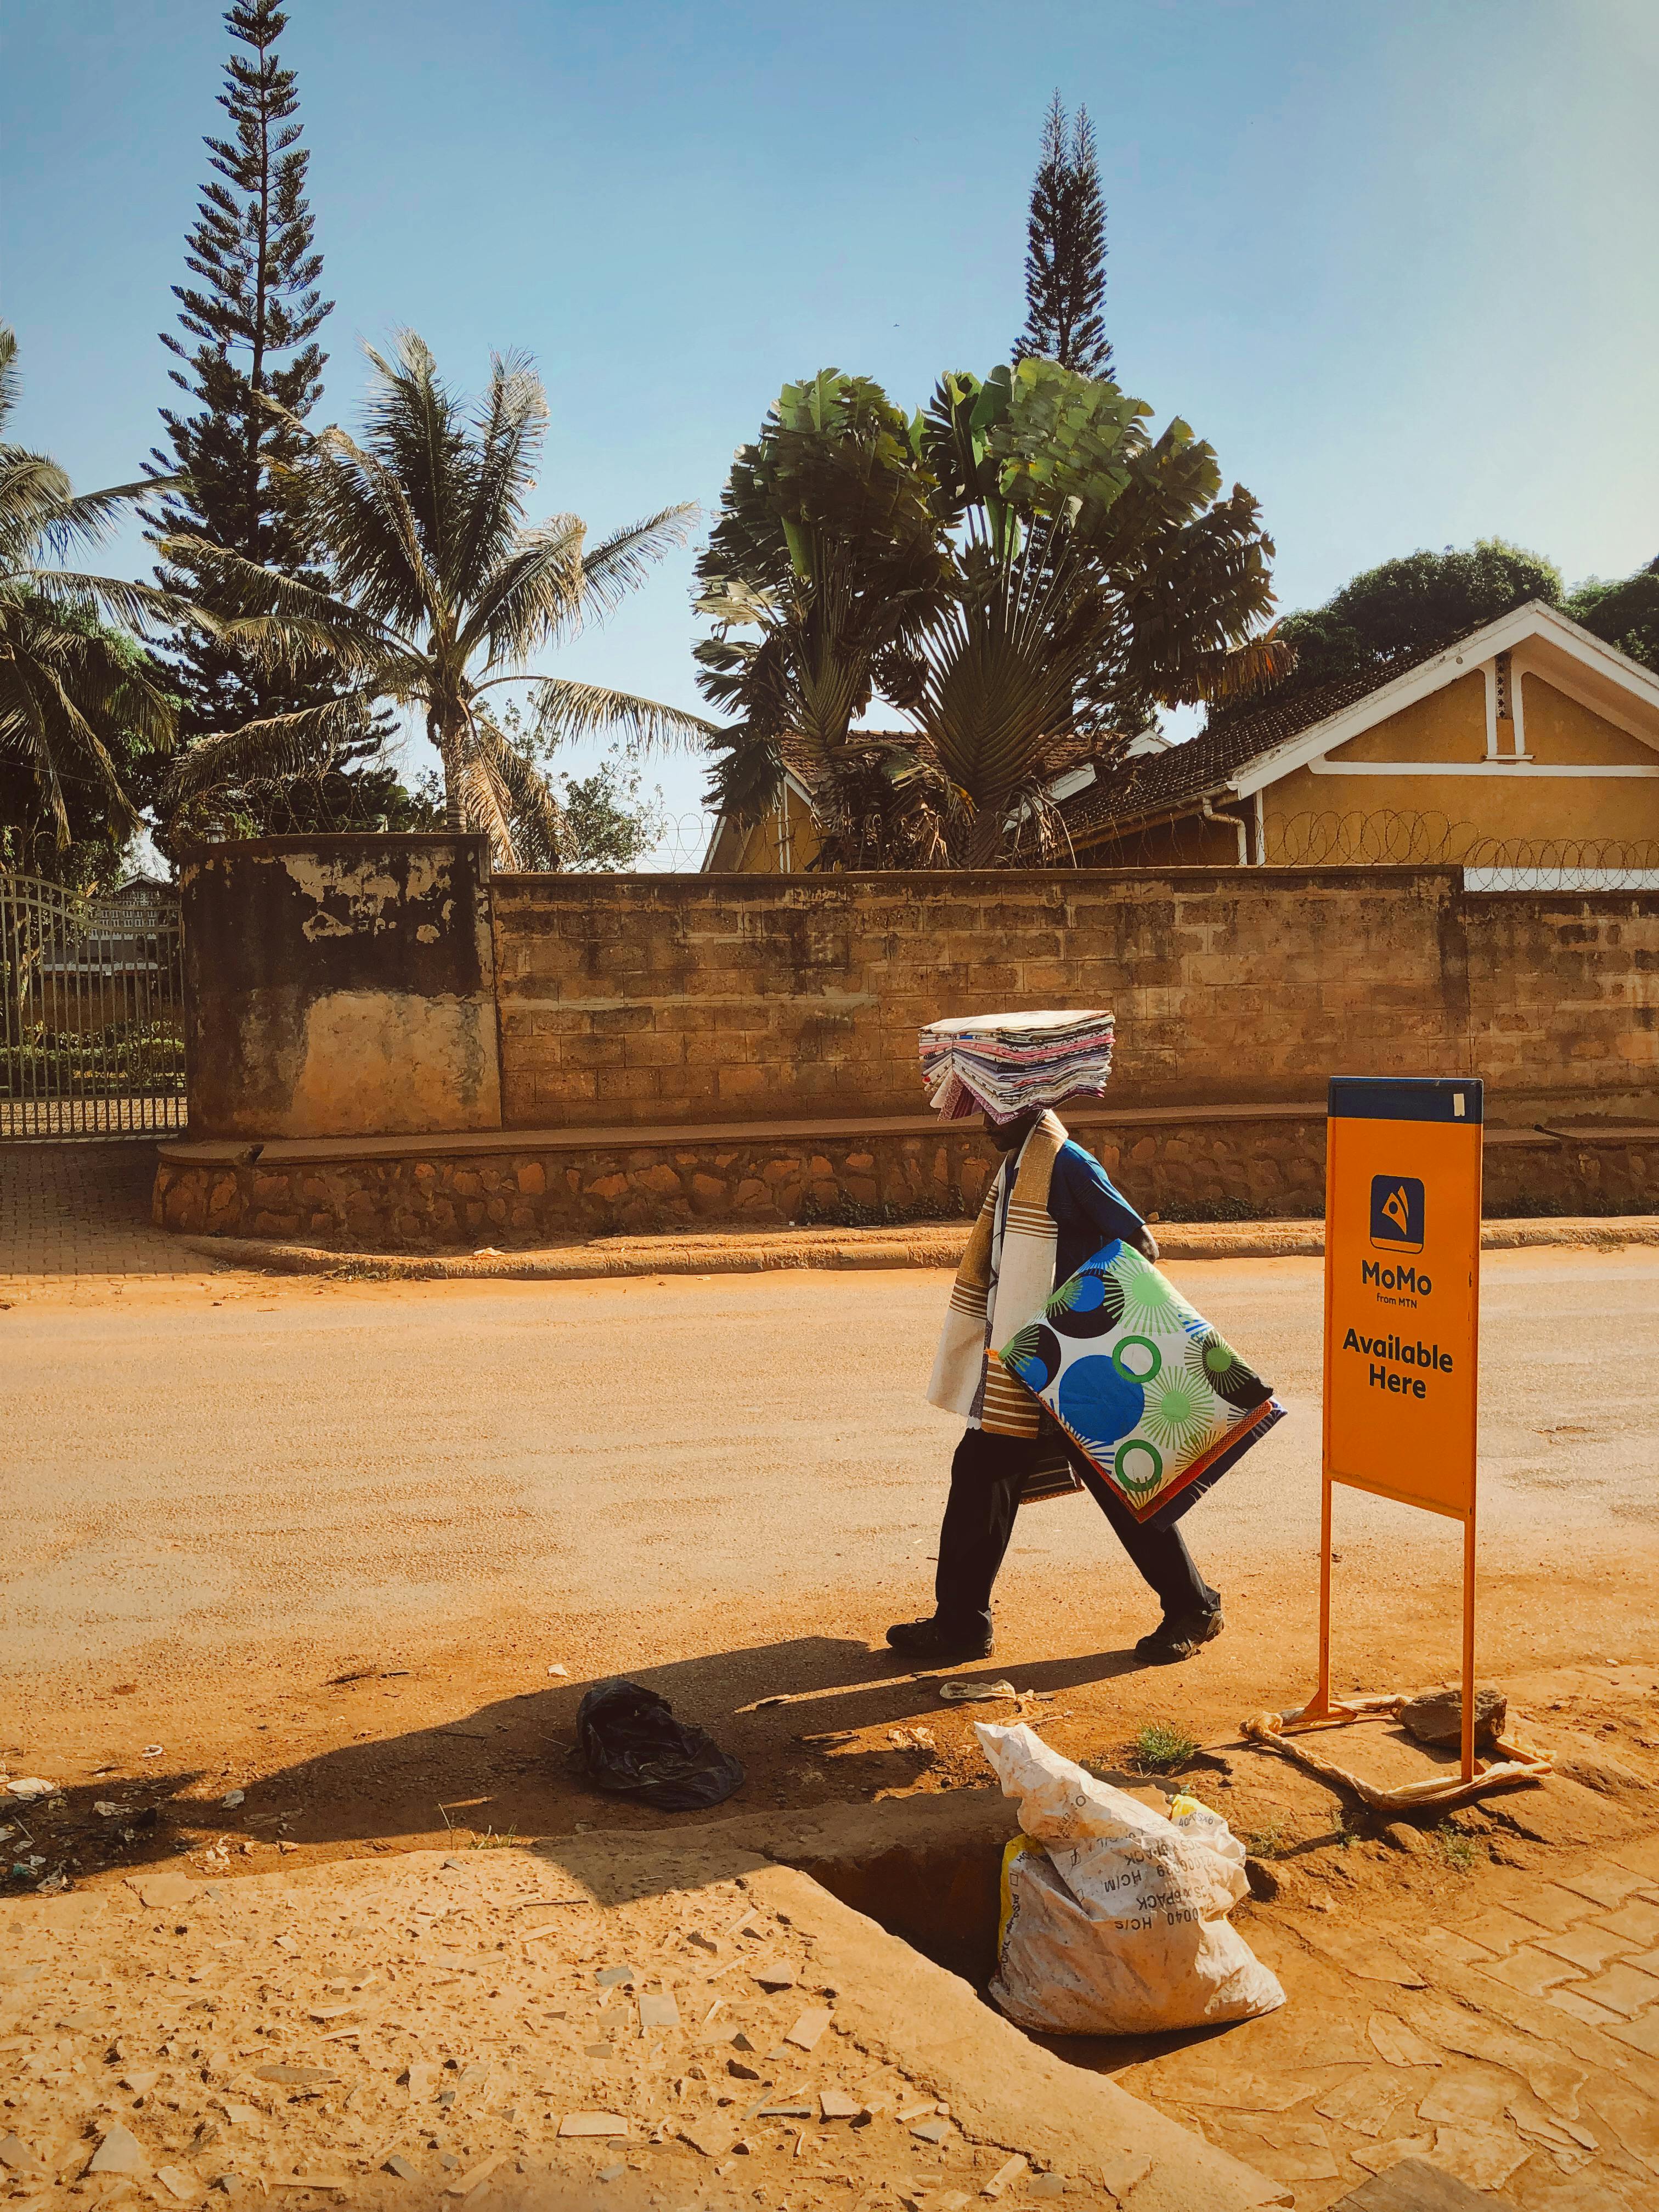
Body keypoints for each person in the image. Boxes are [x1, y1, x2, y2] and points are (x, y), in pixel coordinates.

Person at [887, 1101, 1224, 1667]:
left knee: (1118, 1485)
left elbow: (1140, 1244)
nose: (986, 1122)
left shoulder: (1068, 1163)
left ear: (1030, 1104)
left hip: (1069, 1359)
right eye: (984, 1110)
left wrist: (1074, 1316)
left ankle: (1194, 1606)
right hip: (1024, 1364)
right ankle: (961, 1626)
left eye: (998, 1110)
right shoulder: (1019, 1165)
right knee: (980, 1475)